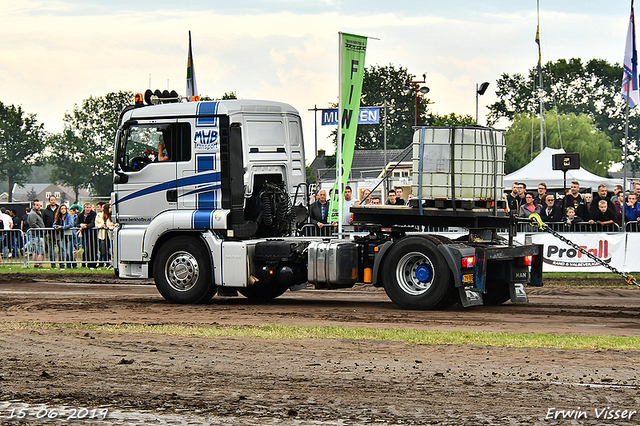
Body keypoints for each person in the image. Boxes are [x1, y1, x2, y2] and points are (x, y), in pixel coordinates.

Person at [54, 204, 75, 269]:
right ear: (60, 210)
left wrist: (61, 227)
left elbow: (70, 224)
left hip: (69, 235)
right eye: (62, 209)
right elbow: (54, 224)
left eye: (64, 209)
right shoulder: (59, 217)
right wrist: (56, 227)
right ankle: (68, 266)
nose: (63, 210)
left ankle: (74, 265)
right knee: (65, 251)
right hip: (62, 236)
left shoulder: (69, 216)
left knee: (69, 252)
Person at [77, 202, 97, 268]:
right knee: (85, 249)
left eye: (89, 207)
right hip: (84, 234)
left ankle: (92, 264)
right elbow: (77, 223)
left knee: (92, 249)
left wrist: (86, 226)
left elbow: (93, 223)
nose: (88, 209)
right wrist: (80, 225)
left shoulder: (93, 214)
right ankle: (83, 263)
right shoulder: (80, 215)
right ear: (84, 208)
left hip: (92, 233)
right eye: (87, 207)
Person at [41, 195, 59, 268]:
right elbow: (43, 221)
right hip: (49, 232)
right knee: (51, 249)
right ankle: (53, 264)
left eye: (54, 200)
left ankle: (62, 264)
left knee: (61, 248)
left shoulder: (59, 209)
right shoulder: (45, 211)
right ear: (49, 201)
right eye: (51, 200)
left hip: (58, 232)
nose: (53, 201)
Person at [27, 199, 45, 267]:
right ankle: (39, 264)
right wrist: (40, 229)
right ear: (33, 205)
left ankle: (37, 263)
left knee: (37, 250)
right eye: (37, 205)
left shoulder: (37, 213)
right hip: (37, 235)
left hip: (38, 234)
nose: (39, 206)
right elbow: (33, 224)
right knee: (39, 250)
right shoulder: (33, 214)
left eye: (39, 205)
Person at [98, 203, 115, 267]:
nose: (111, 209)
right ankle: (107, 262)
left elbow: (114, 225)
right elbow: (96, 224)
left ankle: (110, 261)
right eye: (109, 208)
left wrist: (109, 227)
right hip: (103, 235)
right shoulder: (100, 215)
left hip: (110, 234)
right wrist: (101, 226)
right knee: (103, 250)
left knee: (112, 249)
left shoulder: (112, 216)